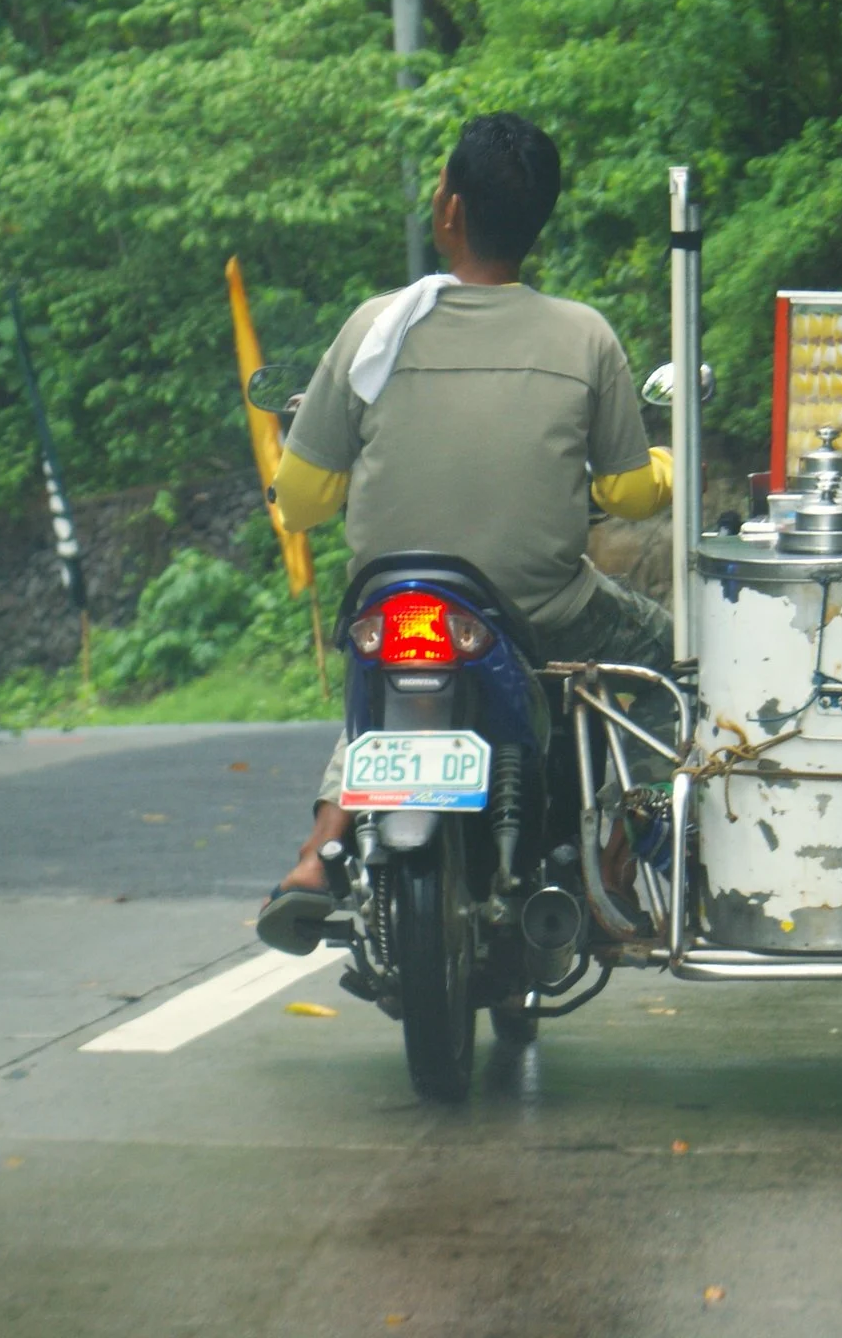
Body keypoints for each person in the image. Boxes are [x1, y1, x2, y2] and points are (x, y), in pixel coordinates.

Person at [255, 113, 674, 953]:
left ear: (449, 210)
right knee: (670, 661)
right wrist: (665, 463)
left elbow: (299, 504)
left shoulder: (374, 328)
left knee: (381, 682)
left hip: (400, 603)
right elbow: (628, 496)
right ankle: (616, 863)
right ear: (538, 219)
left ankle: (316, 851)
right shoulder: (584, 335)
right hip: (539, 612)